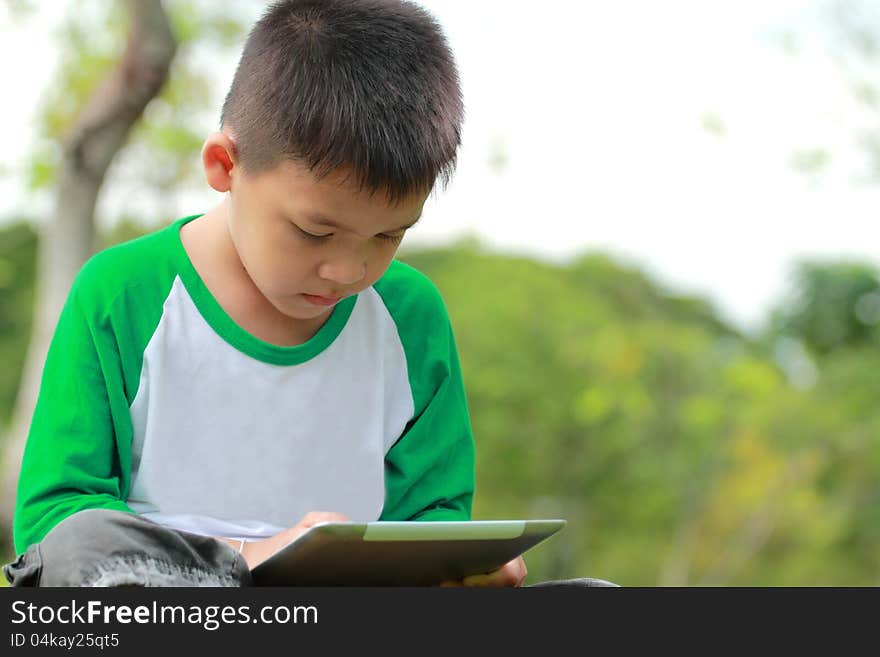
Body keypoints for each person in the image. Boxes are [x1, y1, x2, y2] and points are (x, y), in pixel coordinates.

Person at [3, 0, 614, 588]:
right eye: (314, 231)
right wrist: (248, 559)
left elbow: (433, 514)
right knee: (82, 546)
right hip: (173, 604)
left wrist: (453, 568)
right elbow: (55, 520)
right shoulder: (122, 293)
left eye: (389, 235)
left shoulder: (410, 318)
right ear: (225, 165)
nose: (348, 270)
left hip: (349, 607)